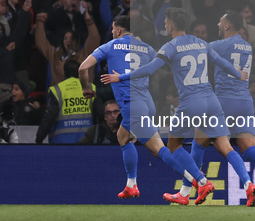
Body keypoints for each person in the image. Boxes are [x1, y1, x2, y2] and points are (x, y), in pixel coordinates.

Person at [102, 9, 255, 206]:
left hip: (191, 103)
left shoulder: (170, 46)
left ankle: (201, 182)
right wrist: (239, 75)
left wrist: (120, 77)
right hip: (212, 101)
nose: (165, 25)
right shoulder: (201, 43)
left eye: (166, 22)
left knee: (173, 145)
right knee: (225, 145)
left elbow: (149, 69)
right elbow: (222, 62)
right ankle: (248, 184)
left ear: (170, 25)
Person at [80, 15, 216, 203]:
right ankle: (131, 185)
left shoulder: (110, 46)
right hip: (146, 103)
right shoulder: (146, 48)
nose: (112, 32)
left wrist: (86, 88)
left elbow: (82, 68)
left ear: (118, 31)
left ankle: (200, 181)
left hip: (132, 106)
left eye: (113, 28)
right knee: (122, 136)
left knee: (160, 149)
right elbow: (164, 63)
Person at [165, 11, 255, 205]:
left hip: (224, 101)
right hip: (245, 102)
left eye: (220, 21)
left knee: (198, 143)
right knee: (249, 148)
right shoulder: (248, 46)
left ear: (227, 26)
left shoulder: (217, 45)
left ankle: (186, 192)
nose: (218, 23)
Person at [35, 60, 97, 145]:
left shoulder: (58, 89)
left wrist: (39, 138)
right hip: (87, 141)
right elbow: (99, 114)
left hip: (62, 143)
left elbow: (49, 117)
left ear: (64, 72)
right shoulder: (91, 87)